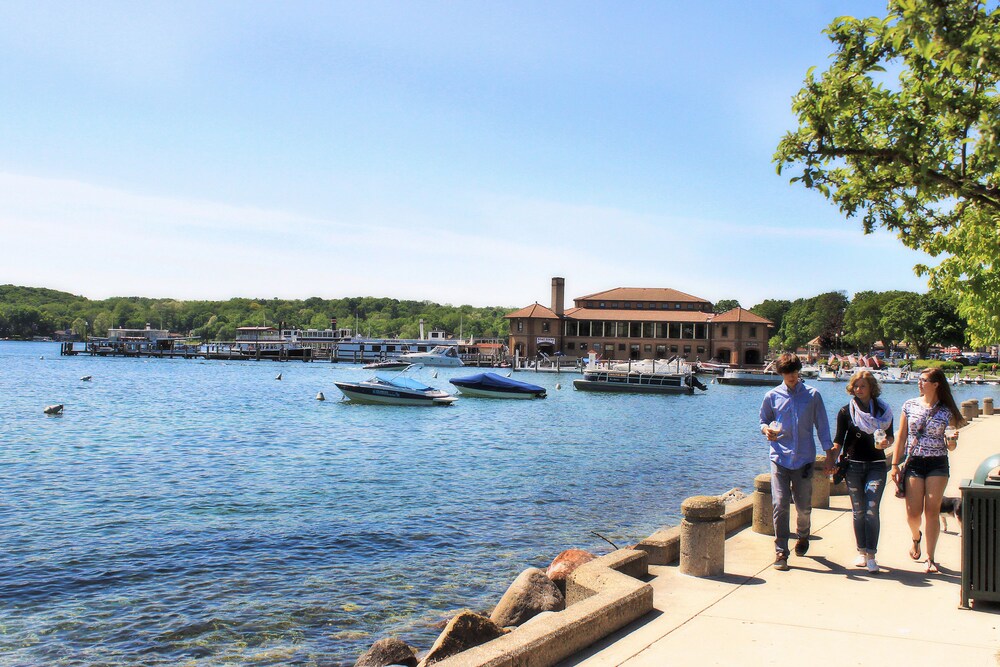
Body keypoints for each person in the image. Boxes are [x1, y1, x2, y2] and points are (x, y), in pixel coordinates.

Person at [760, 353, 836, 571]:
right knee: (780, 503)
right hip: (779, 457)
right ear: (781, 374)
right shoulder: (771, 396)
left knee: (803, 507)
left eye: (794, 372)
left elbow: (822, 426)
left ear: (799, 371)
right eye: (786, 373)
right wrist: (766, 430)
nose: (791, 376)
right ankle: (781, 551)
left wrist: (829, 454)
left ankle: (803, 535)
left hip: (804, 458)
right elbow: (763, 421)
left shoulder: (813, 395)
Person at [890, 367, 964, 573]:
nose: (919, 383)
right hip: (914, 462)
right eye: (919, 380)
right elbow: (902, 437)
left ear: (936, 384)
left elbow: (951, 445)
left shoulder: (946, 411)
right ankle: (916, 537)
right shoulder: (910, 405)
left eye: (924, 380)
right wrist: (895, 464)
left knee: (932, 511)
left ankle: (930, 558)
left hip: (937, 463)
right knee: (913, 513)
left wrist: (952, 442)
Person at [833, 370, 894, 573]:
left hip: (876, 464)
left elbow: (891, 437)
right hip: (853, 467)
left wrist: (887, 442)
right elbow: (838, 440)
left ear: (871, 388)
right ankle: (861, 551)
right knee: (859, 511)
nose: (858, 390)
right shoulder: (845, 412)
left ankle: (871, 555)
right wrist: (830, 460)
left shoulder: (884, 412)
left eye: (863, 386)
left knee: (871, 510)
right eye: (856, 386)